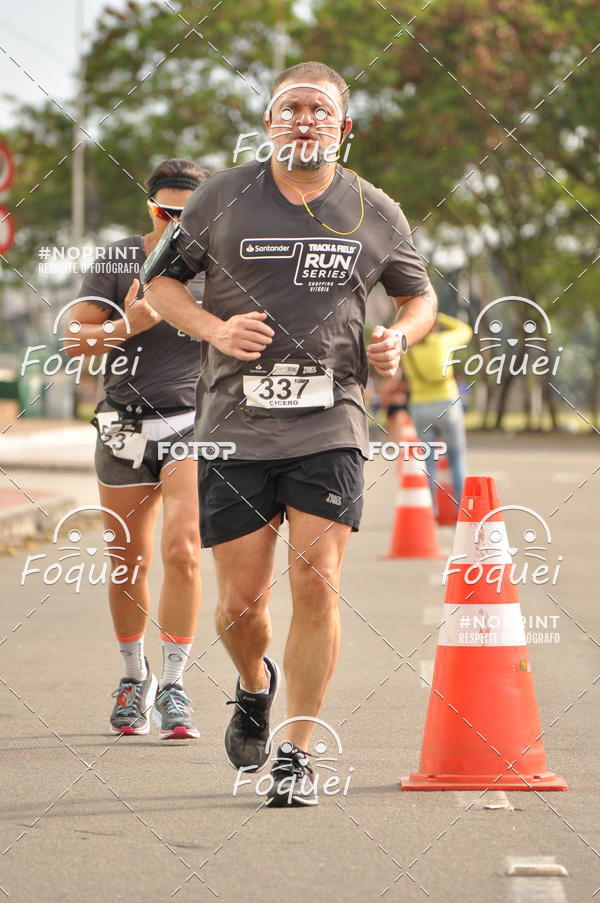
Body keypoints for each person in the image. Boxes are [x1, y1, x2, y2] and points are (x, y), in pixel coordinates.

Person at [144, 62, 437, 805]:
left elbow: (418, 295)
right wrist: (214, 327)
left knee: (317, 582)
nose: (303, 119)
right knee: (240, 607)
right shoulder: (221, 196)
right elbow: (161, 284)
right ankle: (253, 684)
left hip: (332, 419)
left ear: (344, 128)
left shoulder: (375, 210)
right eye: (289, 107)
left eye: (318, 110)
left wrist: (400, 336)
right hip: (235, 426)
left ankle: (296, 752)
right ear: (269, 121)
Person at [64, 159, 210, 739]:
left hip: (192, 426)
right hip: (122, 426)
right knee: (130, 560)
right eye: (163, 210)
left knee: (183, 549)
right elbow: (75, 340)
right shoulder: (119, 260)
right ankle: (134, 678)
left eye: (186, 213)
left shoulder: (222, 264)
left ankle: (175, 683)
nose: (174, 221)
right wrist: (128, 322)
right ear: (150, 208)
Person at [402, 312, 473, 508]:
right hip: (447, 404)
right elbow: (465, 330)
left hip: (420, 406)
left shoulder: (409, 349)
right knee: (457, 459)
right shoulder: (443, 341)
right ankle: (463, 509)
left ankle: (428, 510)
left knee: (428, 462)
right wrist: (437, 315)